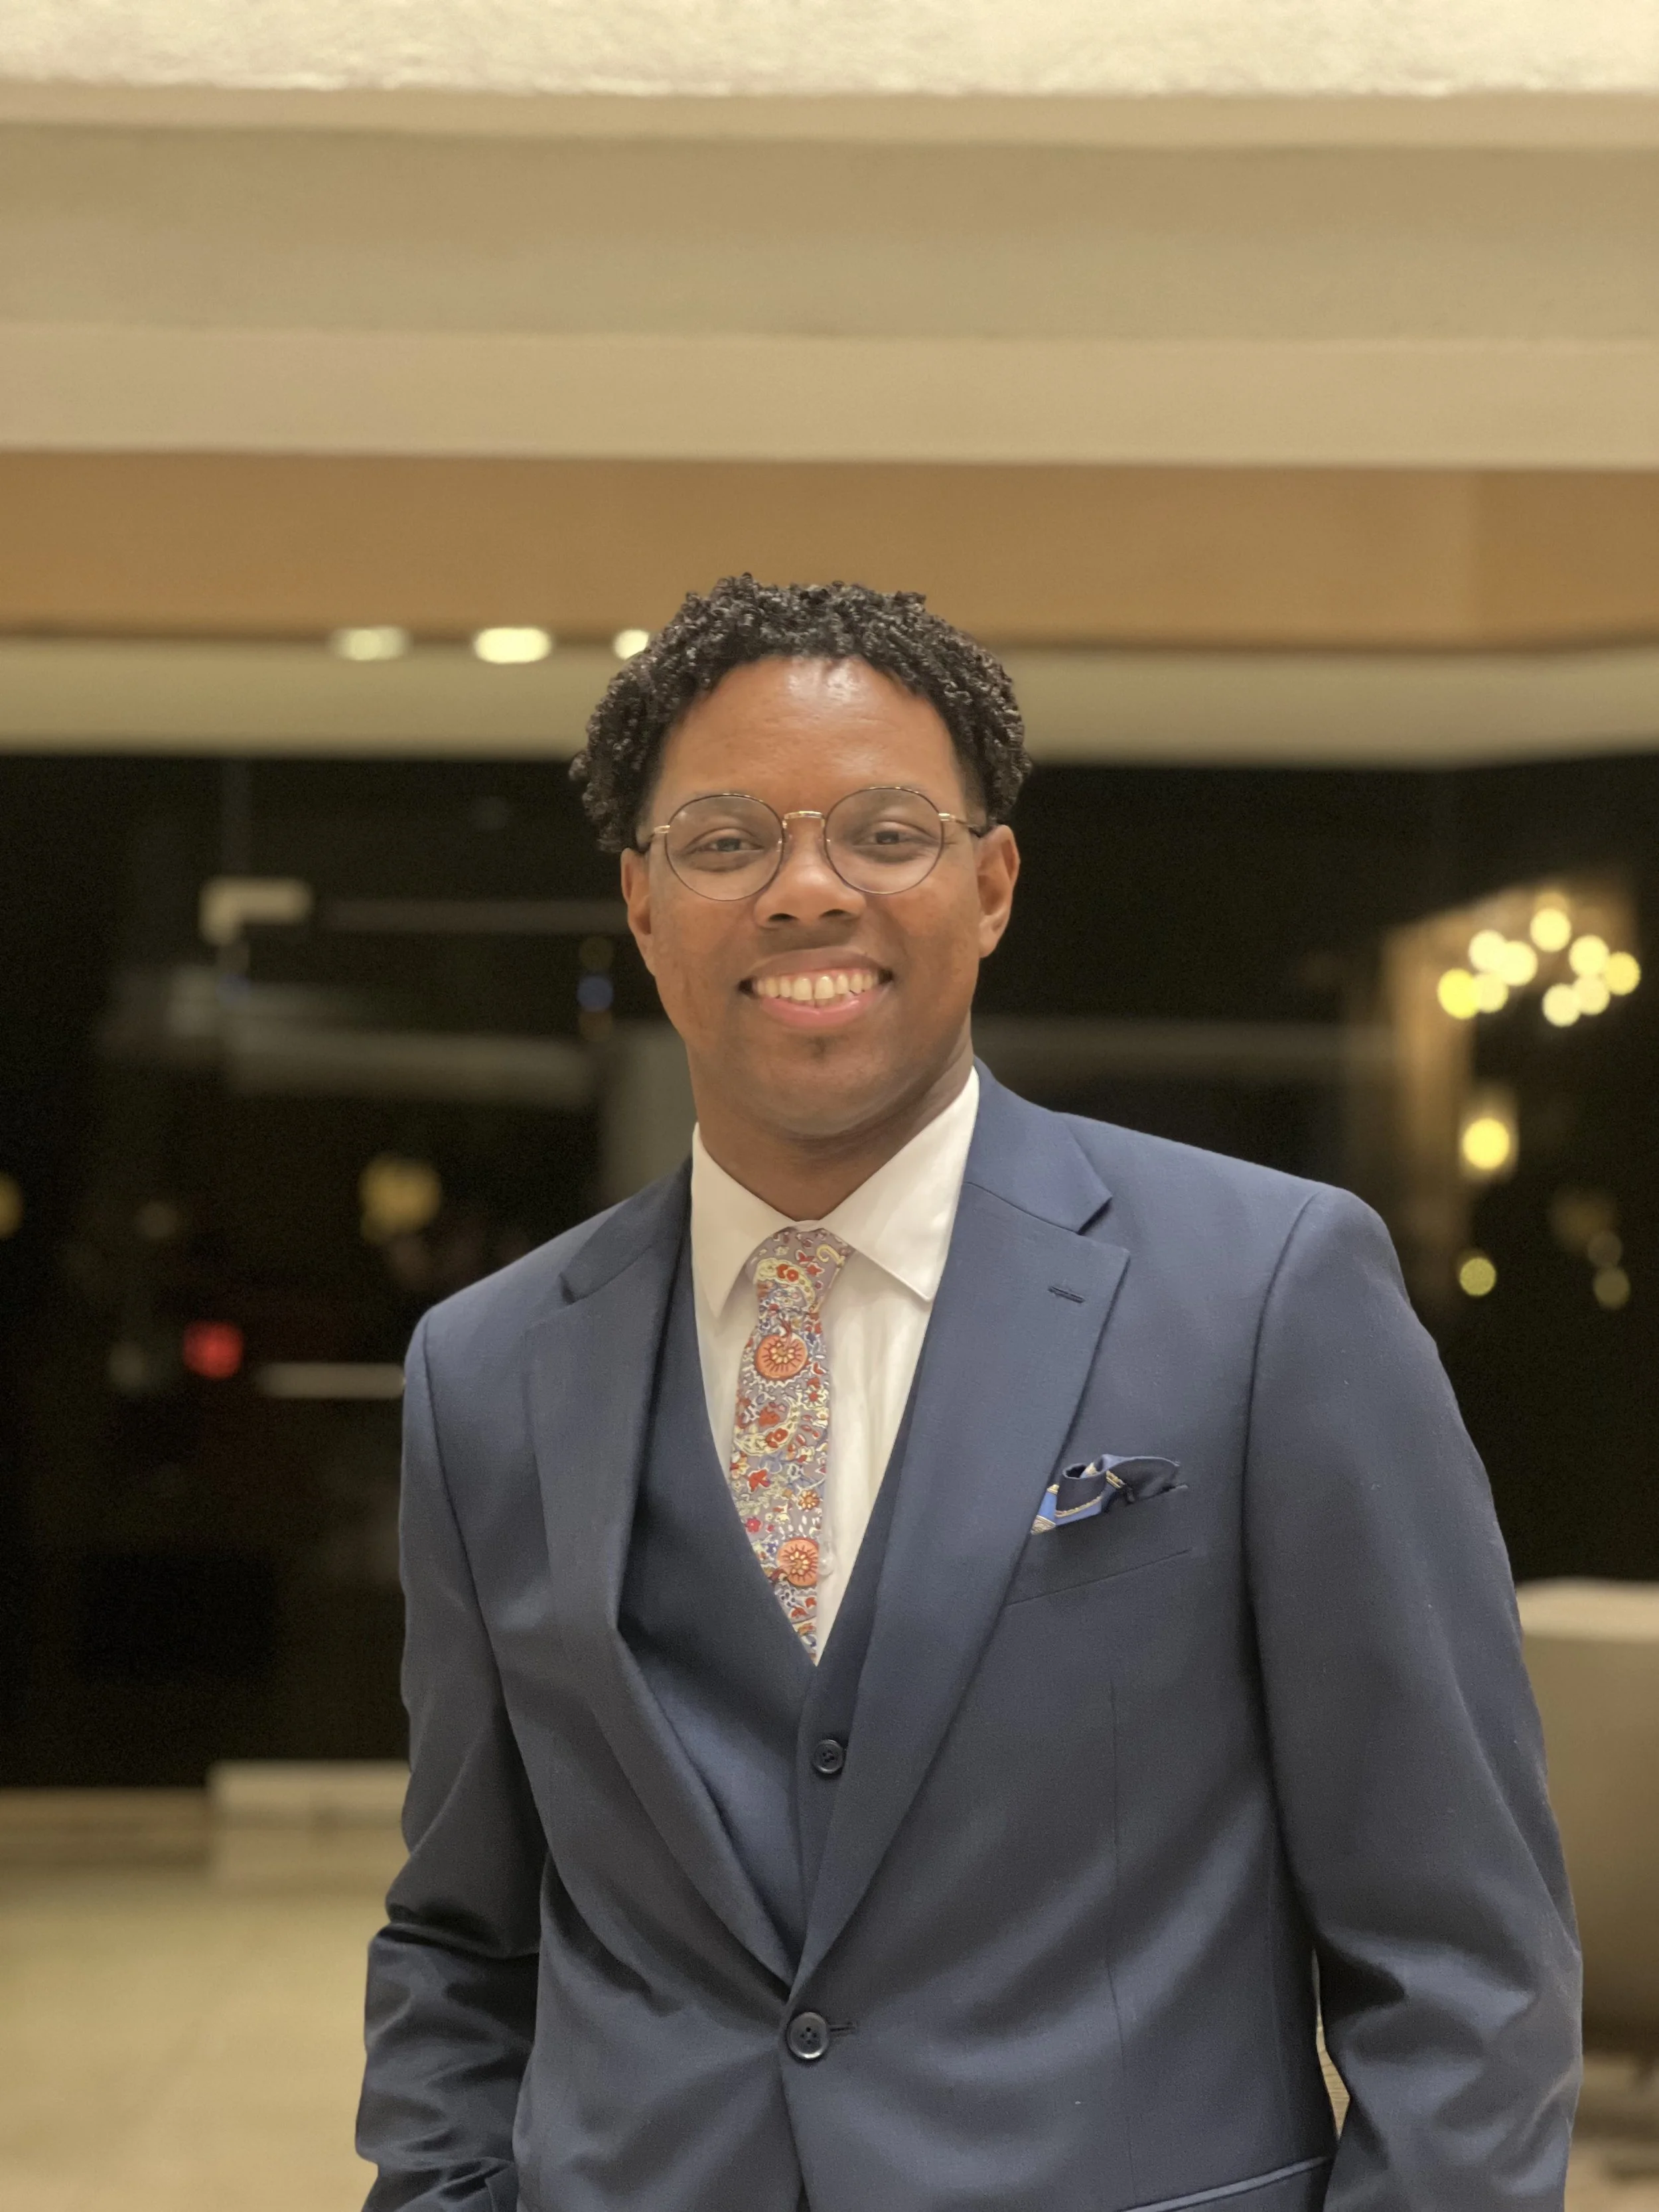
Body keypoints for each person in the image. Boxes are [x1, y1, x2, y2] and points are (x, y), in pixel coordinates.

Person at [358, 577, 1580, 2212]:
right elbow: (462, 1929)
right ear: (643, 905)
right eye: (725, 841)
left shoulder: (1267, 1291)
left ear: (990, 881)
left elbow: (1463, 1956)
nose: (807, 892)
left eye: (884, 832)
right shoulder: (488, 1365)